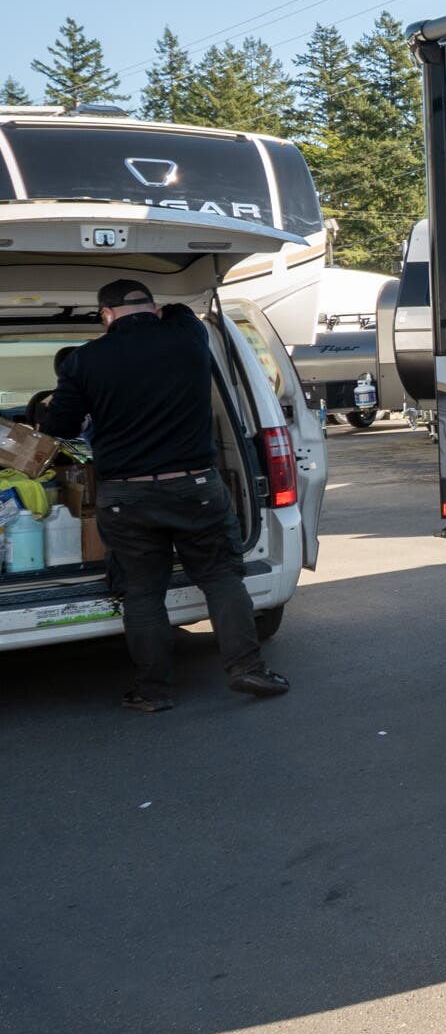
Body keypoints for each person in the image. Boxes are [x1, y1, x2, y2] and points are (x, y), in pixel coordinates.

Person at [43, 279, 290, 711]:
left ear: (106, 315)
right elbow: (183, 310)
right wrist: (161, 311)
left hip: (126, 497)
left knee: (142, 592)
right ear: (153, 308)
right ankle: (246, 668)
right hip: (196, 488)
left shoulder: (83, 360)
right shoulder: (187, 335)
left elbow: (57, 429)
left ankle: (153, 691)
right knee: (221, 577)